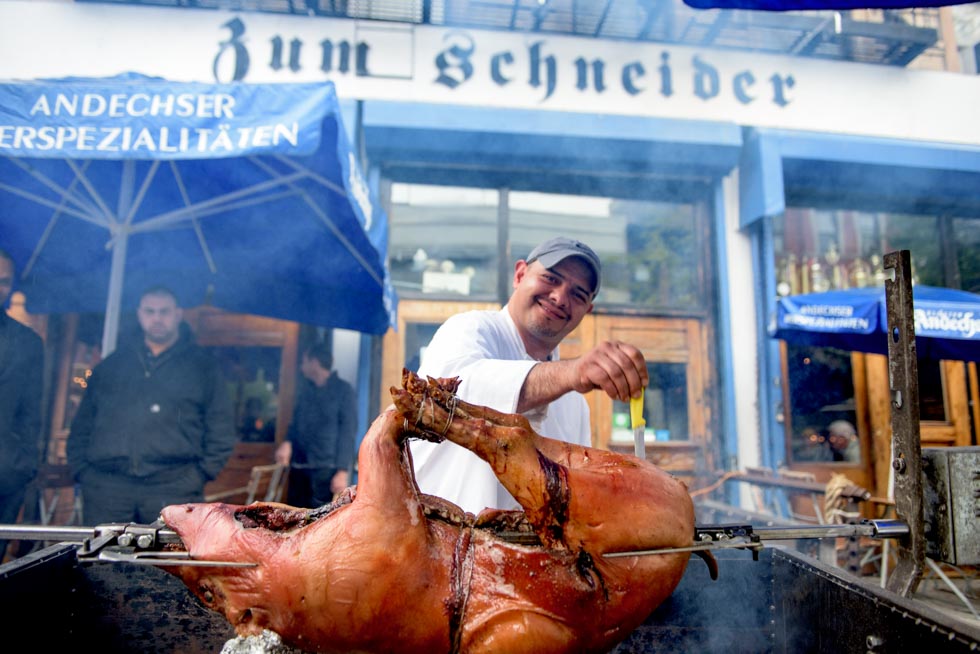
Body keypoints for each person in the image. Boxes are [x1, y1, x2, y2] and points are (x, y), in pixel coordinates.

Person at [409, 236, 648, 515]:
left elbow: (573, 496)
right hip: (438, 546)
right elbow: (455, 400)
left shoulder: (574, 406)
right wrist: (573, 372)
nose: (560, 298)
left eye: (578, 295)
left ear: (587, 311)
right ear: (520, 274)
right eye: (550, 278)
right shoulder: (469, 330)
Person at [67, 285, 235, 525]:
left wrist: (200, 474)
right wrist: (83, 471)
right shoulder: (112, 365)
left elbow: (222, 428)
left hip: (174, 486)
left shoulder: (202, 368)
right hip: (106, 488)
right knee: (103, 561)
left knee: (165, 562)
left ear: (178, 314)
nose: (157, 318)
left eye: (164, 312)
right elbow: (82, 424)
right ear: (139, 314)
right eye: (150, 311)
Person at [0, 249, 44, 558]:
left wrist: (24, 464)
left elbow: (31, 413)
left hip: (5, 473)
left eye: (3, 281)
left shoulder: (27, 342)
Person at [275, 342, 357, 508]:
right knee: (294, 516)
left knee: (320, 521)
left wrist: (342, 471)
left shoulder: (343, 390)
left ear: (315, 362)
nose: (301, 367)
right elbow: (295, 423)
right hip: (299, 468)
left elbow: (348, 432)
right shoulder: (305, 391)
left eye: (304, 361)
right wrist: (287, 442)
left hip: (326, 471)